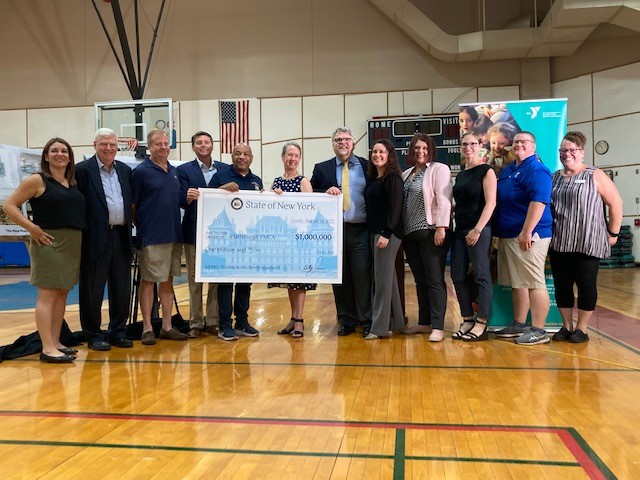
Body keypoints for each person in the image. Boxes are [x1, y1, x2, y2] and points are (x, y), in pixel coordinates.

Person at [3, 138, 85, 363]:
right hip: (48, 241)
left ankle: (56, 341)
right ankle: (47, 348)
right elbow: (9, 206)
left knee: (62, 294)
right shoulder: (37, 180)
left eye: (64, 151)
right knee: (48, 296)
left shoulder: (72, 182)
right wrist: (32, 228)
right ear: (46, 156)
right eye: (54, 151)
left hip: (72, 243)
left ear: (70, 157)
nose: (60, 154)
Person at [549, 131, 623, 343]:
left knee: (586, 286)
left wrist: (613, 233)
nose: (567, 154)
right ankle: (566, 325)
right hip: (560, 242)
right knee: (562, 286)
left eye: (572, 150)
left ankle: (582, 328)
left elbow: (616, 203)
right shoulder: (554, 177)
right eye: (563, 150)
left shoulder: (595, 174)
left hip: (588, 242)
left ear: (581, 152)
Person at [75, 128, 134, 351]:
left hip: (121, 235)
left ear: (117, 146)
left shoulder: (125, 170)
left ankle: (118, 331)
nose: (108, 148)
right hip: (95, 237)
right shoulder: (82, 170)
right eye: (103, 144)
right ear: (95, 145)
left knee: (121, 288)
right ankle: (93, 334)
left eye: (112, 144)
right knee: (93, 289)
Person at [310, 127, 372, 337]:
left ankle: (366, 320)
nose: (342, 143)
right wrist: (324, 191)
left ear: (353, 143)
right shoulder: (322, 169)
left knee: (362, 277)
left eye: (346, 139)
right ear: (333, 145)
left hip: (360, 230)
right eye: (338, 140)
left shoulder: (367, 166)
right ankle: (346, 320)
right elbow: (310, 193)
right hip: (334, 233)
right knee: (340, 277)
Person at [494, 131, 553, 345]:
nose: (519, 144)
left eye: (524, 142)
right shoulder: (509, 169)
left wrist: (527, 231)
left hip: (530, 236)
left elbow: (539, 202)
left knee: (534, 282)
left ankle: (539, 330)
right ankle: (519, 324)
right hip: (509, 235)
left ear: (533, 147)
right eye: (516, 141)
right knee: (519, 283)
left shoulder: (537, 170)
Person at [131, 129, 188, 345]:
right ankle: (147, 327)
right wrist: (145, 227)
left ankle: (166, 326)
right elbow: (132, 207)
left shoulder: (174, 172)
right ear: (149, 147)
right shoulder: (141, 172)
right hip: (151, 237)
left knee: (167, 281)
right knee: (148, 282)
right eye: (158, 144)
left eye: (166, 143)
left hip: (173, 235)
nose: (163, 147)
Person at [178, 131, 235, 339]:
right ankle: (195, 322)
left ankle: (212, 321)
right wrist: (187, 197)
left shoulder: (226, 169)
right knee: (194, 280)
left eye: (207, 142)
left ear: (212, 145)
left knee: (215, 278)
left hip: (220, 234)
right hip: (193, 231)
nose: (203, 145)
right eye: (199, 142)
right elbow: (180, 199)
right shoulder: (183, 170)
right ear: (193, 147)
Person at [401, 133, 452, 342]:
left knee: (434, 279)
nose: (420, 151)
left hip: (430, 231)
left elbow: (444, 199)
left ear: (430, 150)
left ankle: (438, 326)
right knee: (420, 280)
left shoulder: (439, 169)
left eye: (424, 148)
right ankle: (424, 322)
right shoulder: (406, 174)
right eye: (416, 148)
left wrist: (441, 227)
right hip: (409, 234)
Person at [211, 143, 263, 341]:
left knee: (245, 282)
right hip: (227, 241)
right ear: (232, 156)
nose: (242, 157)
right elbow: (208, 202)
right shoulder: (220, 177)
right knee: (225, 283)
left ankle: (242, 322)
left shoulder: (256, 181)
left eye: (246, 154)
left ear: (251, 158)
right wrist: (221, 190)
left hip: (248, 242)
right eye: (237, 154)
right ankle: (224, 324)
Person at [450, 133, 497, 342]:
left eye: (472, 144)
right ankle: (467, 318)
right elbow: (459, 203)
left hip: (479, 230)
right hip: (460, 230)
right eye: (464, 144)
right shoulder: (461, 174)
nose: (468, 147)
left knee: (481, 275)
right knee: (457, 275)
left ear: (480, 146)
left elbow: (491, 203)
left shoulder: (487, 171)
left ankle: (482, 322)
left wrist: (477, 230)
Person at [270, 142, 316, 338]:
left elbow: (310, 209)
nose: (293, 159)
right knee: (289, 281)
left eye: (296, 155)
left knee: (299, 282)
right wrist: (274, 196)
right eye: (290, 155)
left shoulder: (303, 181)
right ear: (283, 157)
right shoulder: (276, 182)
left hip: (300, 240)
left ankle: (299, 320)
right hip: (283, 240)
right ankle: (292, 318)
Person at [363, 139, 404, 339]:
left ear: (389, 155)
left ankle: (379, 328)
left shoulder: (393, 178)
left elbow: (395, 208)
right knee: (389, 279)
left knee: (381, 281)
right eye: (374, 152)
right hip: (376, 233)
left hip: (387, 234)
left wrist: (386, 233)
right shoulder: (374, 179)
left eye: (382, 152)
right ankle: (397, 323)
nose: (377, 155)